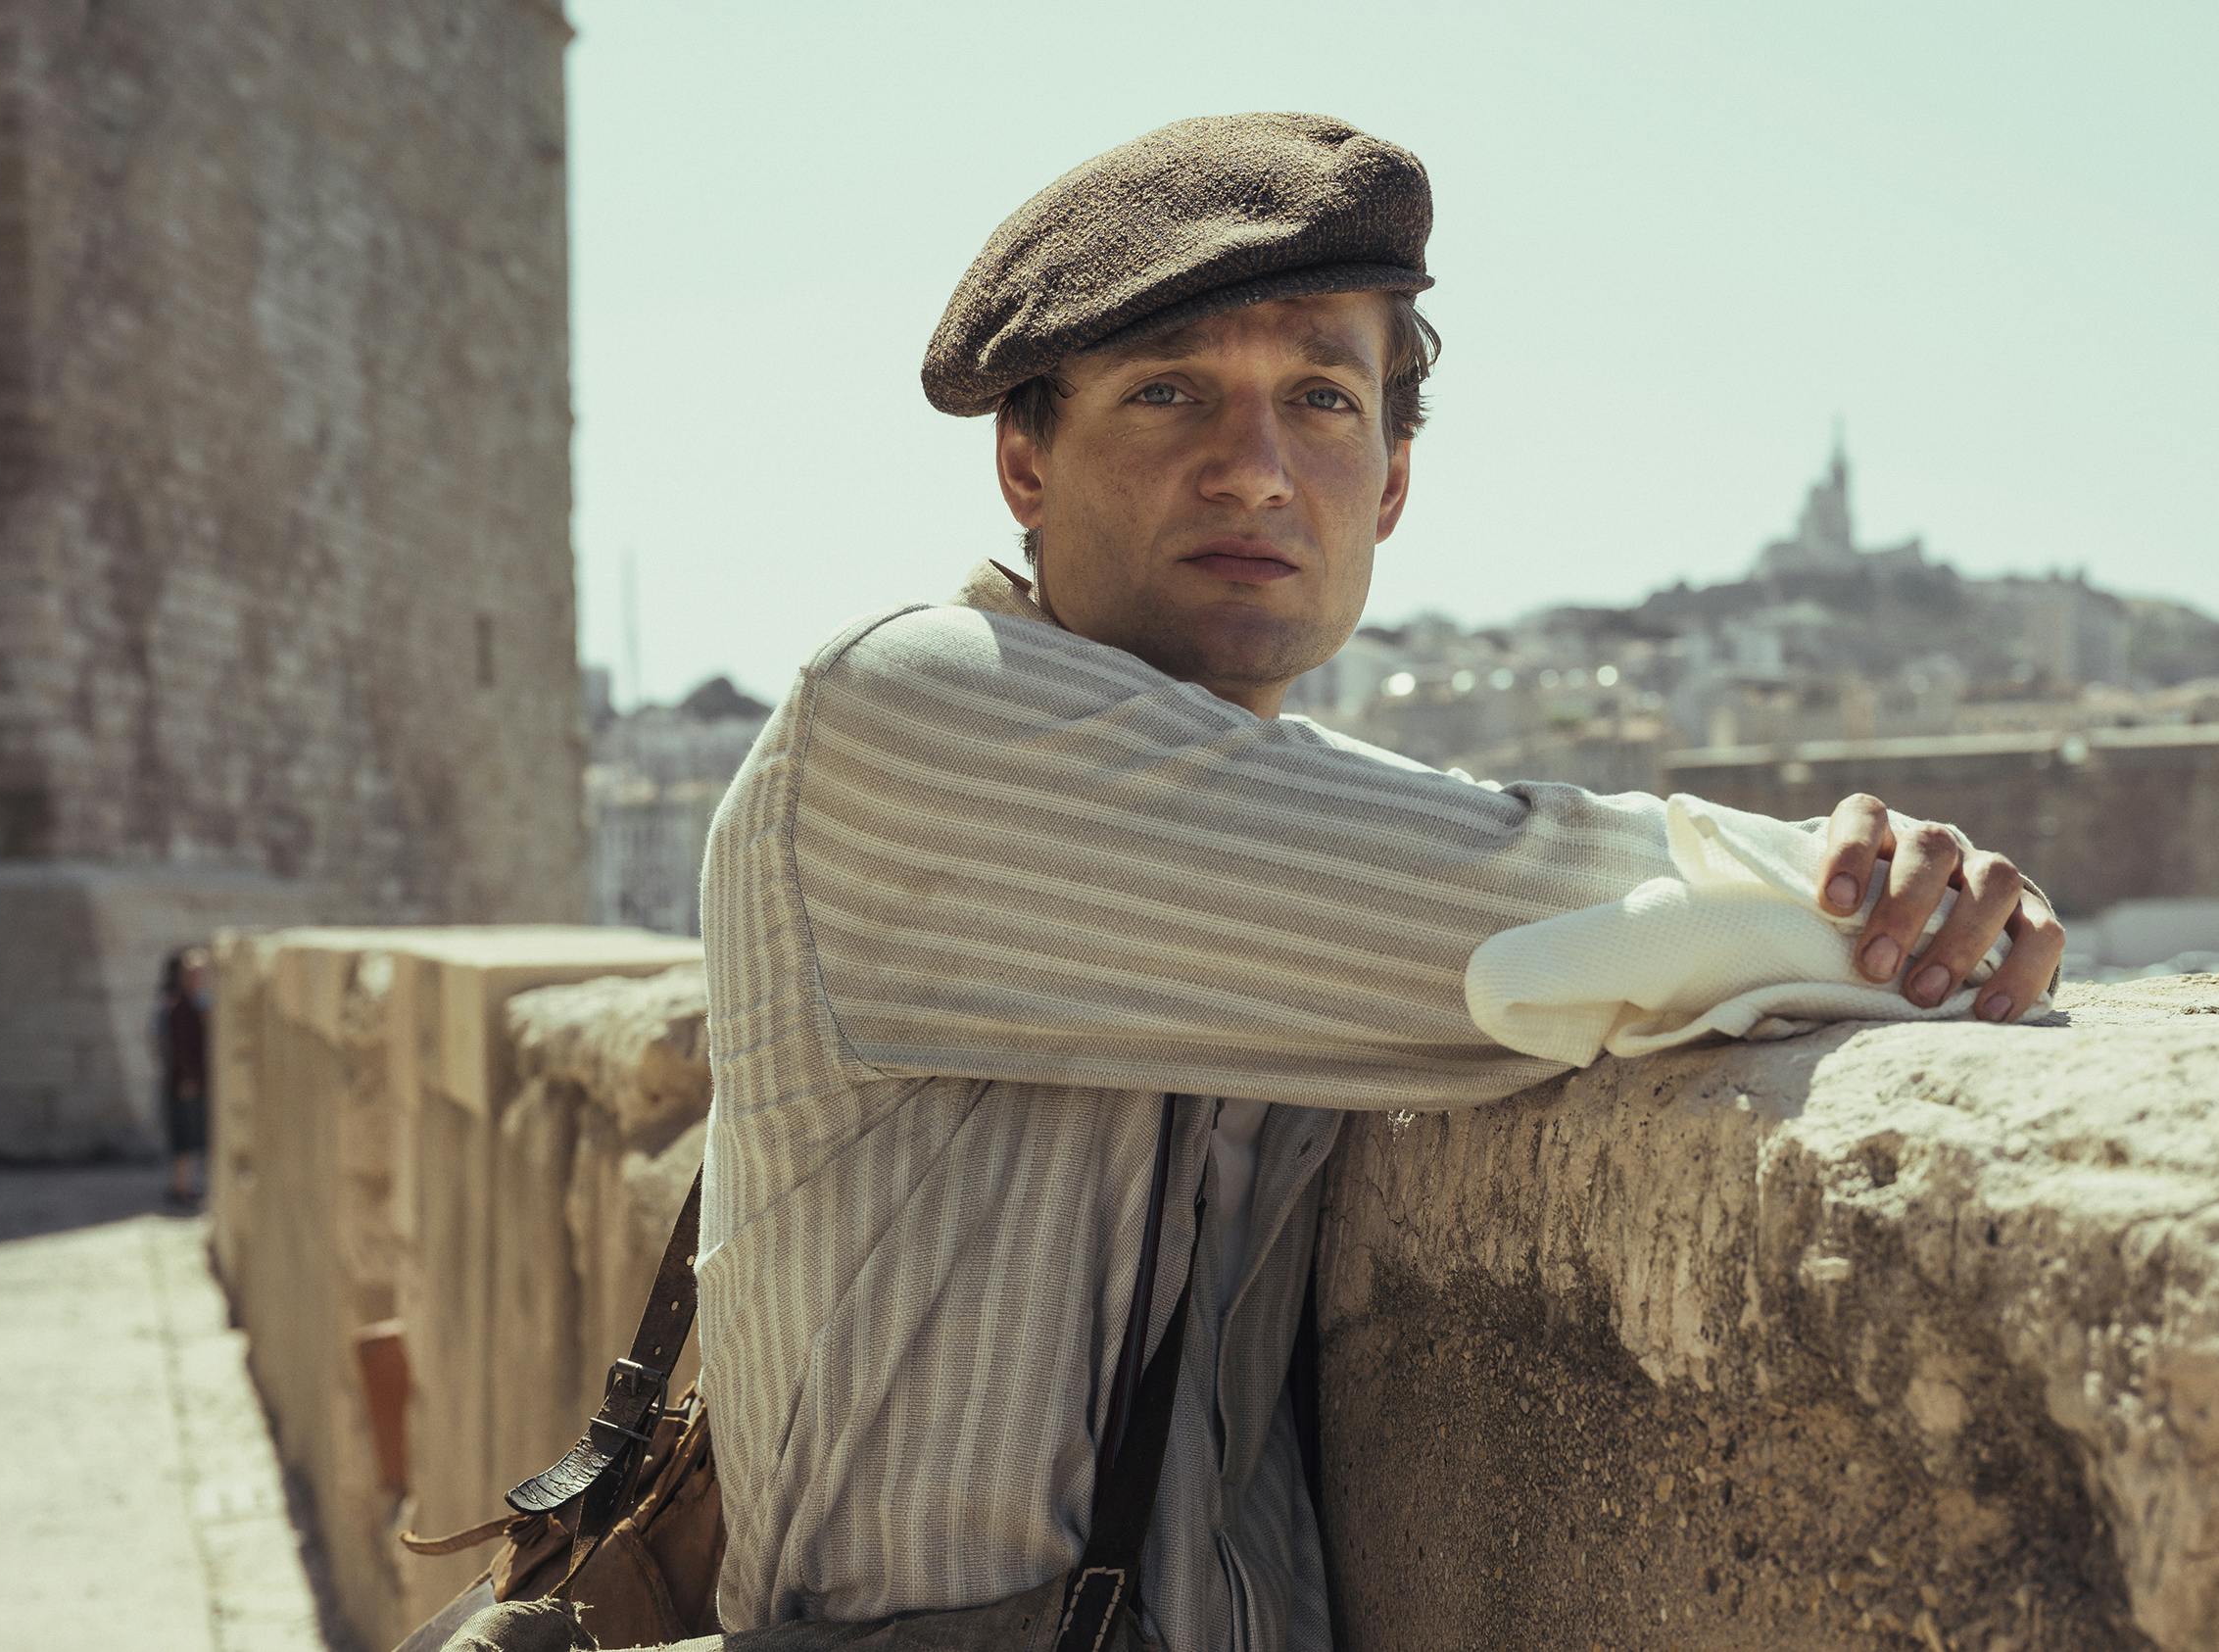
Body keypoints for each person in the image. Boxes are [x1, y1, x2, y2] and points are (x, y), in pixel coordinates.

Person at [684, 113, 2067, 1652]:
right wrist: (1866, 897)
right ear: (1025, 455)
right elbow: (1554, 916)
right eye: (1169, 392)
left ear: (1393, 484)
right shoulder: (919, 709)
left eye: (1322, 402)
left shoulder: (1268, 800)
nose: (1257, 470)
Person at [155, 946, 211, 1209]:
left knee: (194, 1136)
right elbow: (176, 1048)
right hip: (184, 1083)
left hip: (192, 1081)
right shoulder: (177, 1006)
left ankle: (184, 1186)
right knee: (184, 1137)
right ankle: (181, 1188)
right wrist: (186, 1079)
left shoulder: (196, 1003)